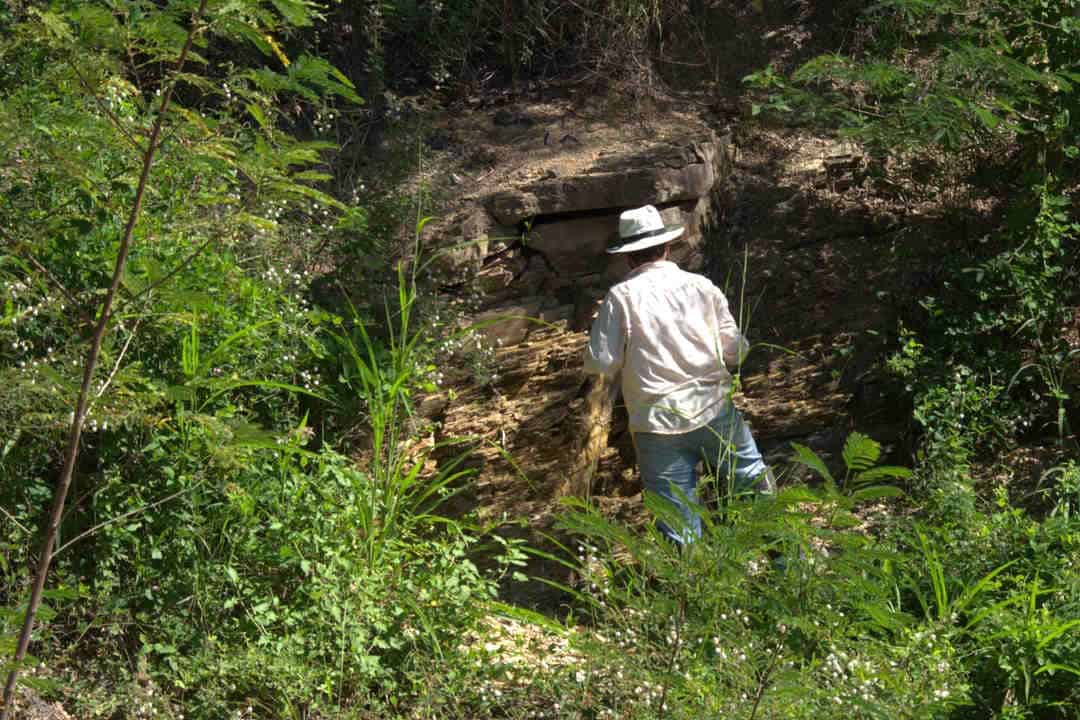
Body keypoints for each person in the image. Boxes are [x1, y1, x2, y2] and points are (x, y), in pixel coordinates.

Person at [584, 204, 774, 544]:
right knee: (757, 490)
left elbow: (601, 363)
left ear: (628, 258)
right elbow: (736, 350)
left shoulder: (620, 298)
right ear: (667, 247)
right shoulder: (701, 286)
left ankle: (695, 593)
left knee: (677, 526)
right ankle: (789, 569)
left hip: (656, 423)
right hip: (714, 411)